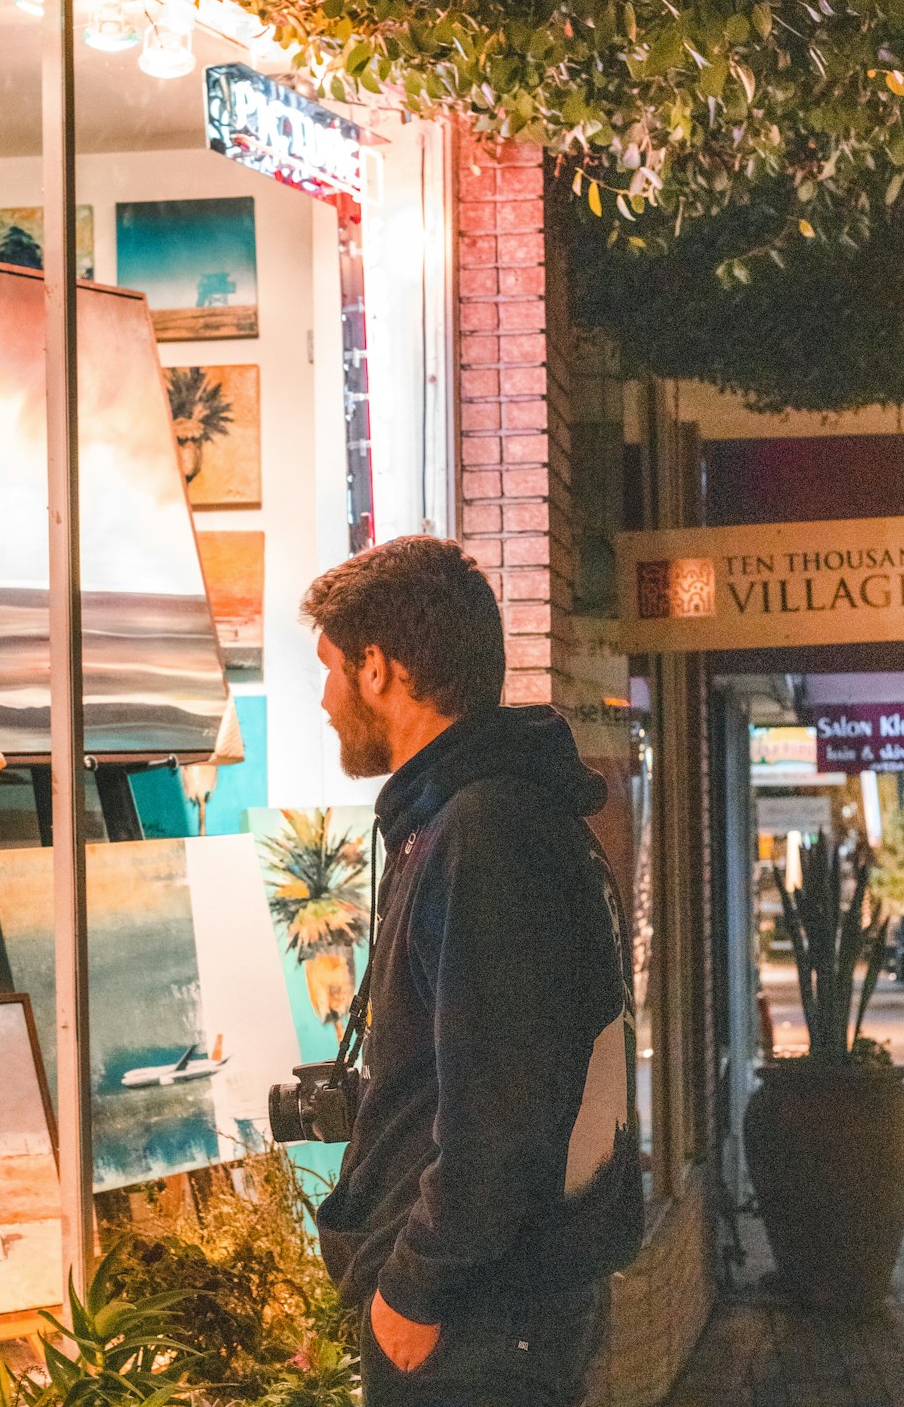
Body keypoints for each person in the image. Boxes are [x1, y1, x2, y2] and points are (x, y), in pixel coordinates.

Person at [302, 536, 643, 1407]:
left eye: (332, 669)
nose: (326, 699)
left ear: (379, 667)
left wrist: (415, 1288)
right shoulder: (484, 814)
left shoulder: (485, 830)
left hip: (472, 1323)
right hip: (489, 1306)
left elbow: (503, 1103)